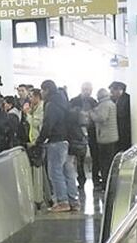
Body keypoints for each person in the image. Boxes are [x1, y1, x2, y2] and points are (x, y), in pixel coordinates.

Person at [37, 80, 79, 213]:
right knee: (68, 172)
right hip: (67, 141)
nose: (41, 93)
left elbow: (48, 124)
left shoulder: (52, 104)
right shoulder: (63, 102)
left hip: (56, 142)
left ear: (47, 90)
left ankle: (62, 202)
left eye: (42, 90)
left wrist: (39, 140)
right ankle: (74, 201)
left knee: (55, 172)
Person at [70, 83, 98, 192]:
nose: (87, 91)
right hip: (77, 133)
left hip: (92, 132)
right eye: (85, 89)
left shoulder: (93, 101)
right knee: (79, 159)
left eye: (89, 90)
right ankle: (81, 180)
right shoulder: (74, 101)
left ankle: (95, 178)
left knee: (95, 155)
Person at [91, 87, 118, 191]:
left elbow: (102, 118)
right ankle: (110, 183)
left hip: (105, 138)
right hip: (112, 137)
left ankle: (106, 184)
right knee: (110, 161)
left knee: (104, 163)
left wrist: (92, 114)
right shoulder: (111, 103)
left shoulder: (104, 105)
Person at [27, 87, 50, 210]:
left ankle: (40, 198)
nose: (30, 99)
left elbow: (36, 123)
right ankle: (47, 197)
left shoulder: (41, 108)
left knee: (39, 170)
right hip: (34, 141)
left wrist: (27, 115)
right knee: (41, 171)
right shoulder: (35, 108)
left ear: (37, 97)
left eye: (31, 96)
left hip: (39, 142)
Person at [109, 81, 132, 152]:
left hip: (124, 130)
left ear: (120, 90)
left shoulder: (127, 99)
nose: (111, 94)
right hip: (117, 130)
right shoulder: (113, 99)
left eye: (113, 92)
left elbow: (122, 114)